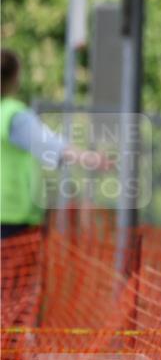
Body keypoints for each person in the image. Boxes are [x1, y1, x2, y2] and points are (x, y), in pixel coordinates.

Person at [1, 49, 110, 239]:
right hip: (11, 218)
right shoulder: (12, 115)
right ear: (14, 79)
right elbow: (47, 143)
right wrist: (87, 157)